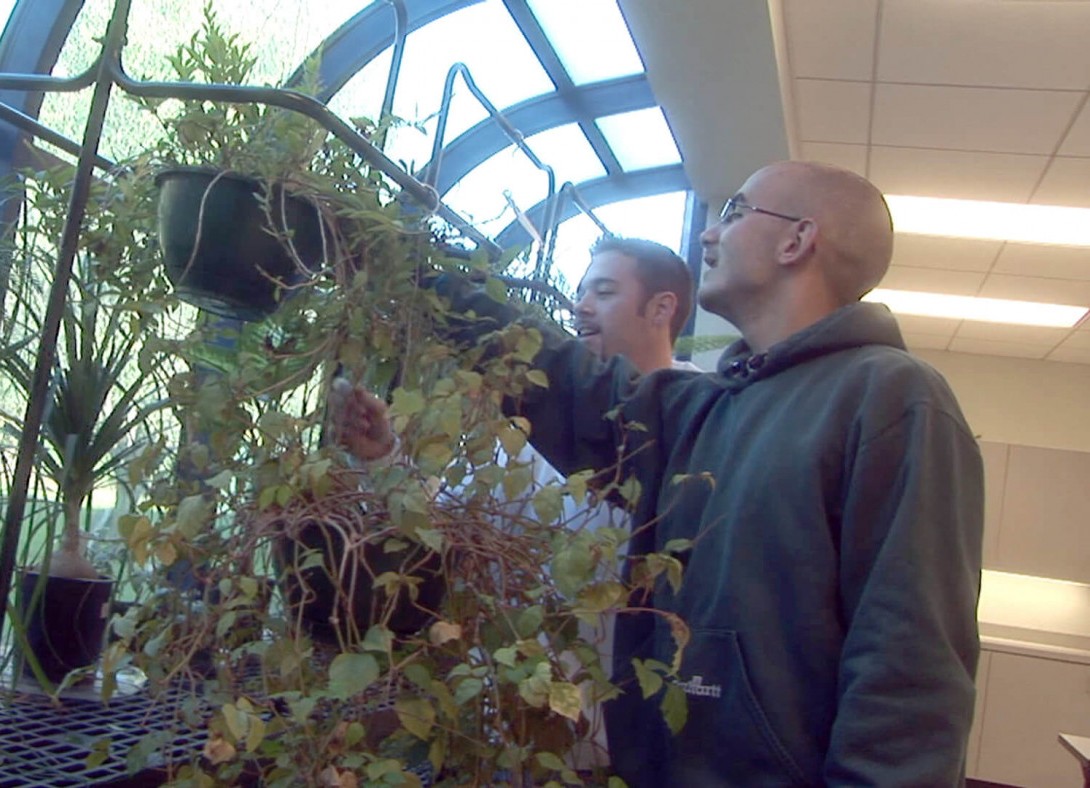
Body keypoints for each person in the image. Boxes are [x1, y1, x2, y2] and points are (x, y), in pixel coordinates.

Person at [341, 161, 983, 786]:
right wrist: (410, 266)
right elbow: (569, 385)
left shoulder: (891, 397)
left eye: (734, 212)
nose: (709, 232)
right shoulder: (708, 407)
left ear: (797, 239)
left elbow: (909, 662)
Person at [337, 235, 701, 769]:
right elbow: (451, 534)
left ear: (662, 307)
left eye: (603, 291)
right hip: (500, 743)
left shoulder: (699, 434)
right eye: (580, 293)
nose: (581, 306)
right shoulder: (519, 429)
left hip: (625, 756)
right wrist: (385, 457)